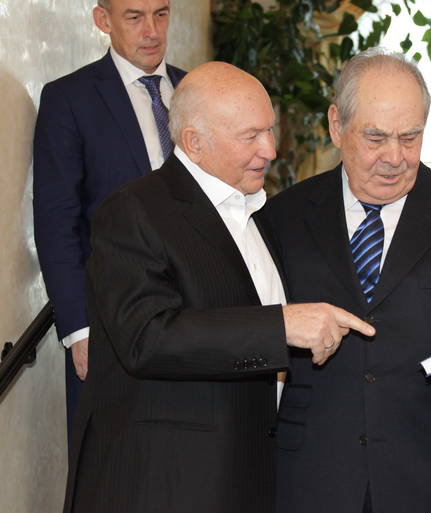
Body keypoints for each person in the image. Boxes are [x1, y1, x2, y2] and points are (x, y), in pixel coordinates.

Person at [62, 61, 375, 513]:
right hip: (164, 486)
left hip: (243, 478)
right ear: (194, 142)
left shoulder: (256, 212)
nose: (270, 150)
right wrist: (281, 327)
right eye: (251, 136)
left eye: (270, 130)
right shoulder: (133, 211)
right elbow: (145, 338)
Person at [262, 47, 431, 513]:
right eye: (376, 137)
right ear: (336, 125)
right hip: (315, 475)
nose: (394, 157)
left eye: (410, 137)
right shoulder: (282, 217)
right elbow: (258, 329)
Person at [33, 0, 185, 437]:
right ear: (104, 20)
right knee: (111, 457)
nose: (152, 30)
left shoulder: (195, 89)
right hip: (112, 321)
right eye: (134, 17)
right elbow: (57, 221)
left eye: (161, 14)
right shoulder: (69, 99)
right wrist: (78, 329)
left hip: (199, 316)